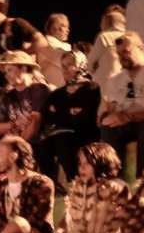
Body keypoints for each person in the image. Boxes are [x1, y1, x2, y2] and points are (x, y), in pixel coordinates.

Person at [54, 142, 129, 233]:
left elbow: (119, 226)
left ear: (102, 162)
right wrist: (61, 231)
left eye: (87, 164)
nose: (81, 168)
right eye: (80, 163)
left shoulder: (114, 188)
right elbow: (68, 219)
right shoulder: (77, 189)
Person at [37, 51, 102, 186]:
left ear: (81, 66)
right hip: (60, 135)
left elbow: (85, 118)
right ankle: (53, 186)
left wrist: (61, 116)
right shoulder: (56, 94)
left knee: (63, 140)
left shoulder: (92, 89)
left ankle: (75, 182)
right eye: (63, 66)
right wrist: (69, 114)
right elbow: (47, 118)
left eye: (70, 65)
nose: (65, 69)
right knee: (42, 146)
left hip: (85, 135)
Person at [98, 32, 144, 171]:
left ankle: (143, 176)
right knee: (108, 127)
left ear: (141, 48)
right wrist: (112, 115)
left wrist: (128, 116)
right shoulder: (115, 79)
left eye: (126, 51)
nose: (121, 57)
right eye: (118, 54)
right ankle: (113, 177)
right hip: (125, 122)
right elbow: (112, 107)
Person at [0, 51, 49, 143]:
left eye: (9, 70)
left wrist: (20, 146)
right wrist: (15, 123)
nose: (6, 76)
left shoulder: (38, 89)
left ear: (23, 68)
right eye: (5, 72)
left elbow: (35, 122)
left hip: (36, 147)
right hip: (15, 147)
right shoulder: (8, 96)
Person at [87, 5, 127, 90]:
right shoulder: (131, 38)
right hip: (125, 86)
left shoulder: (104, 37)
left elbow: (90, 64)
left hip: (105, 87)